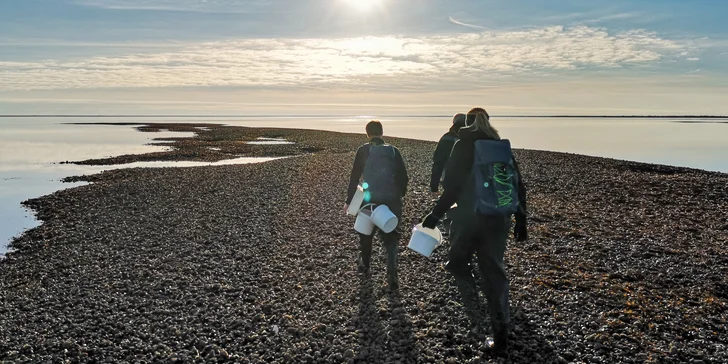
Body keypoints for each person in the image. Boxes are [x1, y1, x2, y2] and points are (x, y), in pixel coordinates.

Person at [421, 108, 528, 357]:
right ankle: (501, 335)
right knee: (494, 273)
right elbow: (517, 184)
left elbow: (453, 187)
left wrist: (435, 215)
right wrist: (521, 219)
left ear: (466, 124)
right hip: (498, 219)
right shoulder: (499, 146)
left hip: (469, 218)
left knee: (457, 263)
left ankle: (475, 316)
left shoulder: (463, 144)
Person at [345, 120, 409, 289]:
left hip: (369, 199)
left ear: (367, 133)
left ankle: (365, 263)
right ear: (382, 132)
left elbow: (354, 177)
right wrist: (398, 194)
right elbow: (403, 177)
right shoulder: (394, 151)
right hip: (392, 199)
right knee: (391, 236)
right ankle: (392, 272)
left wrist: (349, 201)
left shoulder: (363, 150)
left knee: (365, 234)